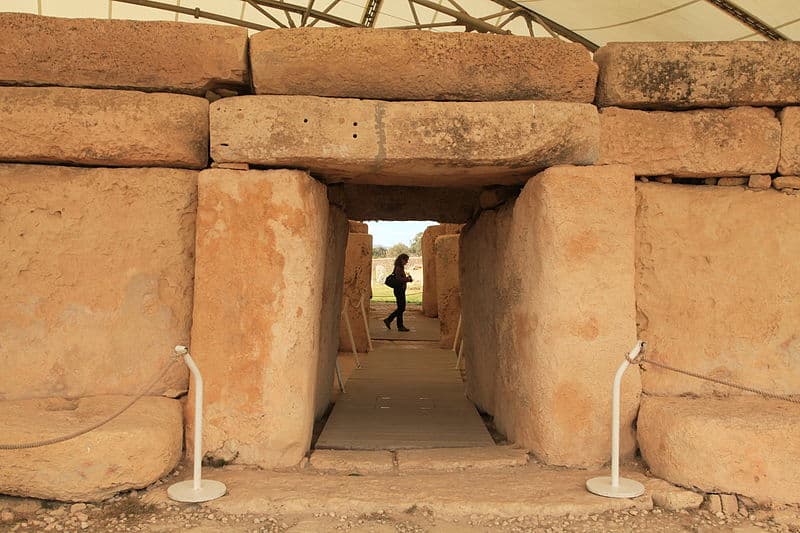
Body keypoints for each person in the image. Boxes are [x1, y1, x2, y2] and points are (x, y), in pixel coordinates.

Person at [384, 253, 413, 332]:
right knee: (401, 308)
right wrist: (407, 279)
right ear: (401, 259)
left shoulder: (400, 267)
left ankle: (396, 324)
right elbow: (399, 279)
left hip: (400, 290)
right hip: (399, 290)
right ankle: (392, 321)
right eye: (406, 260)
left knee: (401, 308)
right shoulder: (398, 268)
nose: (406, 262)